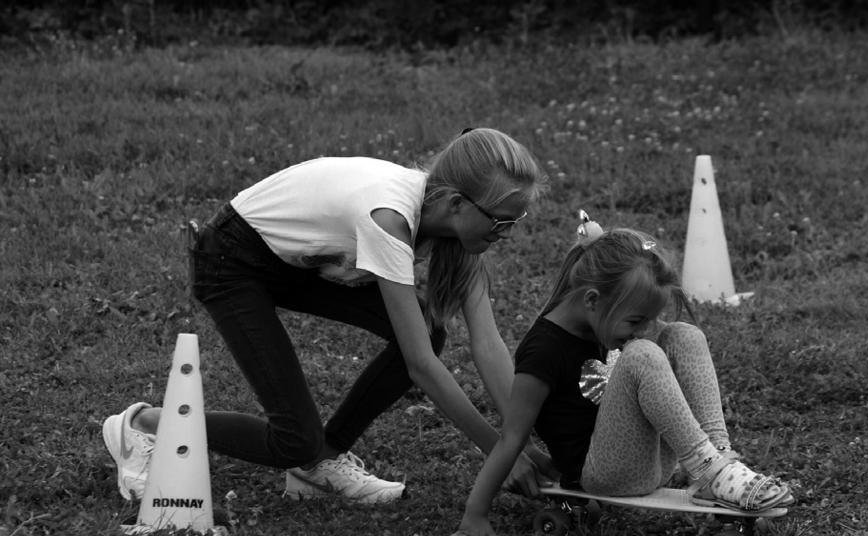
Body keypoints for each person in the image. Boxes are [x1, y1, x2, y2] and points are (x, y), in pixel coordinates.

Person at [103, 127, 556, 506]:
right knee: (292, 440)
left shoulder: (453, 222)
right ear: (457, 204)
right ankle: (142, 424)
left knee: (427, 329)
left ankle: (320, 463)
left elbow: (488, 343)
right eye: (501, 222)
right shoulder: (389, 218)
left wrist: (521, 442)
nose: (508, 234)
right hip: (232, 260)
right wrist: (498, 451)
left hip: (293, 262)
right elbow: (420, 364)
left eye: (517, 220)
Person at [446, 218, 793, 536]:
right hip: (601, 473)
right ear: (593, 300)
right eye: (636, 320)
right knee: (642, 353)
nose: (643, 330)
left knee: (684, 335)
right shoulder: (543, 351)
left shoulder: (604, 322)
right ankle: (710, 471)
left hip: (648, 460)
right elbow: (511, 438)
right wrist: (474, 514)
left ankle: (716, 463)